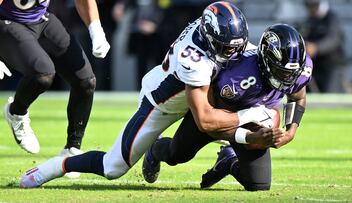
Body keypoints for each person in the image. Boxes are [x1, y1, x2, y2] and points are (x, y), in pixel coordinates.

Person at [19, 1, 279, 188]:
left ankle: (227, 154)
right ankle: (57, 166)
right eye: (225, 48)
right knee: (113, 168)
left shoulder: (228, 40)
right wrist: (251, 114)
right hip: (163, 102)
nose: (232, 54)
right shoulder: (194, 57)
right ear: (209, 38)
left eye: (237, 47)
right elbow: (206, 121)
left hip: (201, 98)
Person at [141, 24, 313, 191]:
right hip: (217, 116)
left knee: (259, 184)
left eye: (292, 73)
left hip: (252, 119)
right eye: (282, 72)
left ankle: (228, 161)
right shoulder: (237, 77)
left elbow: (298, 96)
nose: (288, 78)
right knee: (176, 155)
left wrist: (290, 132)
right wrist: (252, 137)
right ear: (266, 60)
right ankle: (155, 149)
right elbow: (210, 124)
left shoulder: (298, 68)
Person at [0, 0, 110, 160]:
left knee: (85, 81)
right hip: (7, 22)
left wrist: (96, 30)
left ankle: (72, 148)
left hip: (40, 19)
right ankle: (16, 112)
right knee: (43, 74)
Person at [297, 0, 348, 93]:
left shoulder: (331, 18)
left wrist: (316, 48)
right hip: (313, 66)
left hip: (331, 67)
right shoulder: (309, 20)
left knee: (330, 96)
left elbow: (333, 39)